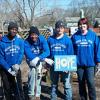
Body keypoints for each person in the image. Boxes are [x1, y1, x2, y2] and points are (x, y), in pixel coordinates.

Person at [71, 18, 100, 100]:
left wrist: (98, 61)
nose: (82, 26)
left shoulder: (93, 35)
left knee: (91, 83)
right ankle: (83, 98)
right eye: (80, 25)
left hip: (90, 64)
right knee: (81, 83)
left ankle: (93, 98)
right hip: (79, 64)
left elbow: (97, 48)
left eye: (84, 25)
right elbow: (71, 50)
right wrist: (71, 62)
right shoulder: (75, 36)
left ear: (87, 25)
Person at [47, 20, 74, 100]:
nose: (60, 29)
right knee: (54, 84)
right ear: (55, 28)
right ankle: (53, 98)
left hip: (64, 65)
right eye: (58, 28)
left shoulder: (67, 40)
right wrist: (47, 63)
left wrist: (68, 67)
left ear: (64, 29)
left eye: (62, 28)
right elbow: (47, 52)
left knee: (67, 85)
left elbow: (71, 54)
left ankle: (68, 98)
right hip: (53, 65)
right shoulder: (50, 39)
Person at [0, 22, 24, 100]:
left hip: (16, 68)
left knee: (18, 87)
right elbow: (0, 57)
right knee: (7, 88)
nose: (14, 31)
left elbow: (21, 52)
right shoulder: (2, 42)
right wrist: (8, 68)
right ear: (8, 30)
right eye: (12, 29)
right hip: (5, 70)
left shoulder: (19, 41)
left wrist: (18, 63)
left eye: (15, 29)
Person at [24, 26, 50, 100]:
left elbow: (47, 51)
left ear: (38, 35)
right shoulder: (26, 42)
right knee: (32, 72)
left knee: (39, 74)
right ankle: (31, 93)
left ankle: (37, 93)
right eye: (32, 34)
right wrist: (35, 59)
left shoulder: (42, 39)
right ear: (29, 35)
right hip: (31, 60)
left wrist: (39, 57)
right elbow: (28, 54)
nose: (34, 36)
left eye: (35, 34)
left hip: (39, 58)